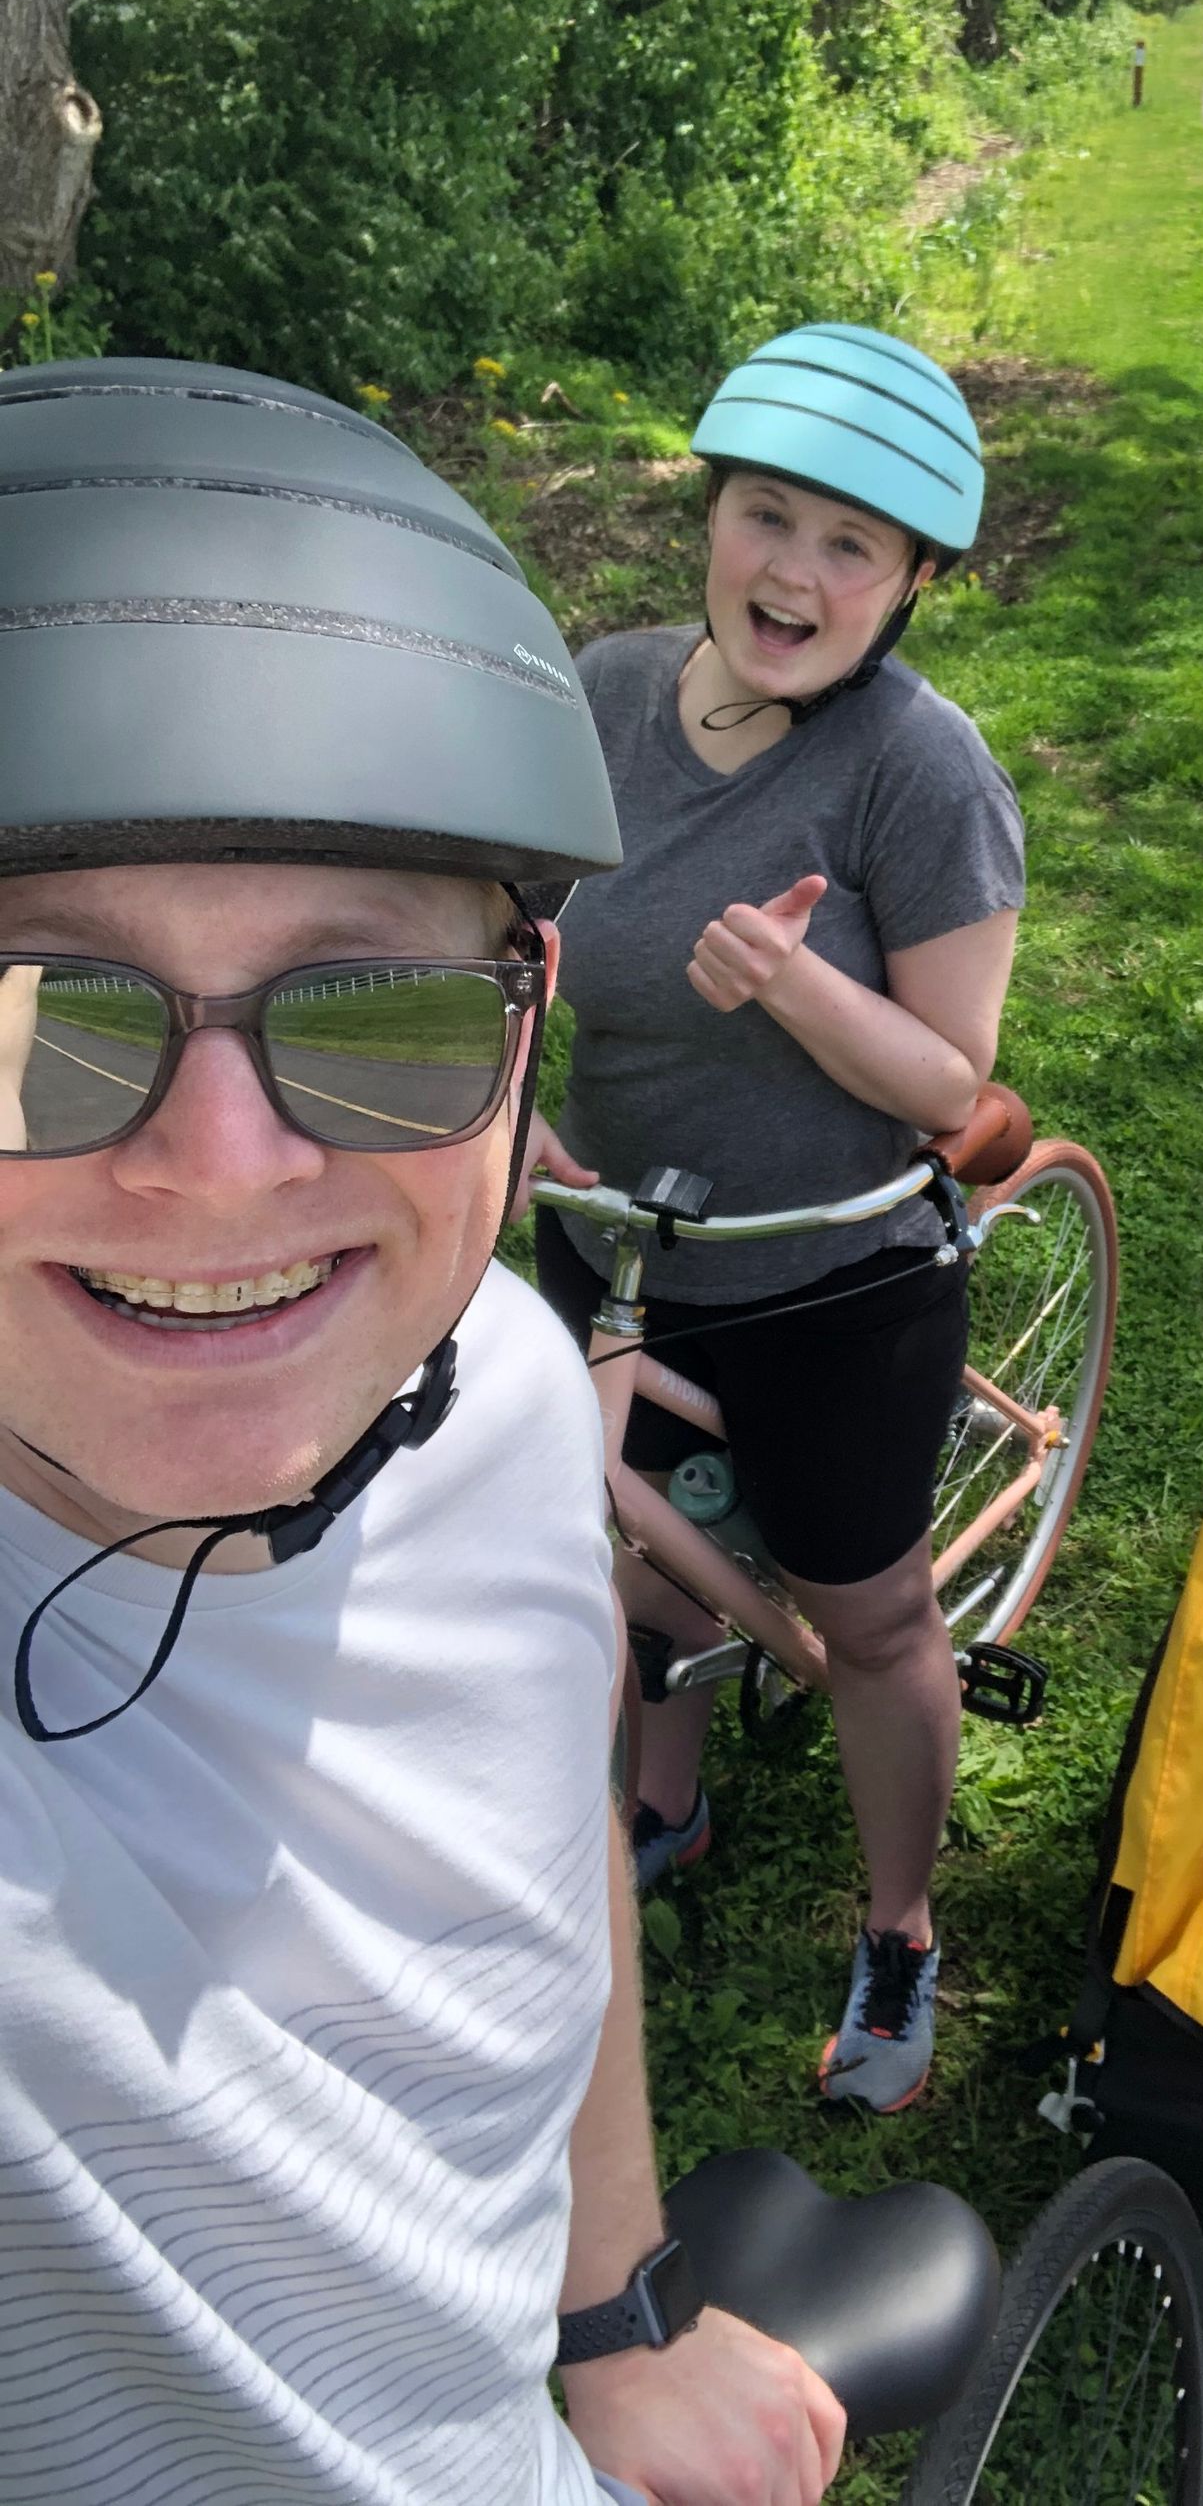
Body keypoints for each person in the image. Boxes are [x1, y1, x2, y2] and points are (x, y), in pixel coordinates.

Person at [0, 359, 844, 2506]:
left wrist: (615, 2304)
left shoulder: (500, 1388)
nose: (221, 1168)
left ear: (523, 1021)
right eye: (32, 1016)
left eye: (372, 1015)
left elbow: (551, 1838)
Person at [525, 323, 1024, 2118]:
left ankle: (899, 1927)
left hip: (834, 1271)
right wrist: (511, 1106)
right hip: (613, 1230)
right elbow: (508, 930)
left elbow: (957, 1086)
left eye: (850, 545)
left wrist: (801, 986)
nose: (793, 573)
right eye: (766, 515)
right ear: (711, 514)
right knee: (639, 1545)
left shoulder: (919, 769)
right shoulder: (602, 694)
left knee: (870, 1619)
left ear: (909, 584)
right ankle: (666, 1800)